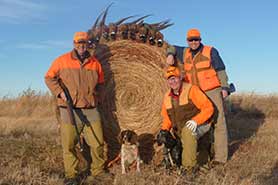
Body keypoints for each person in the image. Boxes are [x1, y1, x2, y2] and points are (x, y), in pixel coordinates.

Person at [45, 31, 109, 185]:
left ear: (88, 44)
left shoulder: (95, 63)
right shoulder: (62, 61)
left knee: (98, 142)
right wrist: (60, 93)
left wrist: (97, 98)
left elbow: (101, 84)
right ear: (74, 44)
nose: (81, 46)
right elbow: (48, 78)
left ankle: (98, 172)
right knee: (69, 144)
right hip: (69, 109)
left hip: (90, 109)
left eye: (84, 43)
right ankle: (71, 175)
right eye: (78, 43)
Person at [166, 28, 230, 165]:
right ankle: (202, 152)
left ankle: (220, 158)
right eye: (191, 40)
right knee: (198, 122)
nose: (194, 42)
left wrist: (224, 87)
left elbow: (221, 70)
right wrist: (170, 54)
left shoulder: (210, 51)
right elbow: (170, 46)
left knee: (218, 122)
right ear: (187, 41)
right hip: (195, 92)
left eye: (196, 39)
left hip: (212, 90)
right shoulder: (184, 52)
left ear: (200, 40)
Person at [160, 66, 214, 173]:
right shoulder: (167, 96)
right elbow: (167, 118)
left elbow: (208, 108)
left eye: (175, 78)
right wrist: (164, 130)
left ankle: (189, 169)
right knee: (171, 139)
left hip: (201, 125)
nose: (173, 81)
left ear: (180, 78)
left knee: (187, 131)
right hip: (181, 129)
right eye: (170, 79)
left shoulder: (191, 89)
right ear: (167, 81)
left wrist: (196, 121)